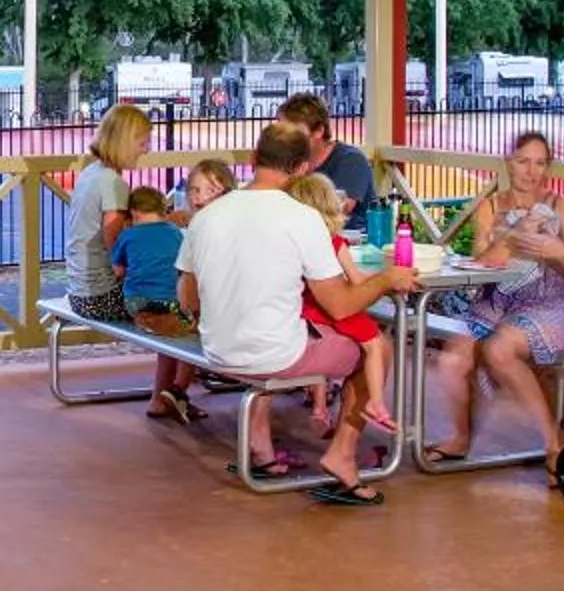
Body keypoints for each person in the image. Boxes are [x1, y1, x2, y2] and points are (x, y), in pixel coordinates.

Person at [179, 124, 419, 505]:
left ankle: (262, 446)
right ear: (302, 168)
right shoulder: (301, 218)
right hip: (274, 354)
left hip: (217, 350)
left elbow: (188, 298)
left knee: (287, 330)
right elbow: (340, 303)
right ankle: (341, 455)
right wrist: (388, 278)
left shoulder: (206, 217)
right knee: (379, 347)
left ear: (254, 160)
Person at [427, 131, 564, 473]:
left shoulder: (562, 206)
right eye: (523, 161)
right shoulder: (491, 206)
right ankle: (460, 438)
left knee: (499, 350)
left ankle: (554, 444)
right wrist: (516, 234)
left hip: (555, 302)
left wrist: (560, 253)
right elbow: (483, 261)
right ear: (508, 161)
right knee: (453, 360)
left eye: (540, 163)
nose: (531, 171)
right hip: (500, 300)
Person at [288, 173, 395, 434]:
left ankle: (320, 407)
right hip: (335, 307)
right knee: (375, 346)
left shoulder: (294, 242)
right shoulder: (335, 242)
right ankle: (377, 403)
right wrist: (383, 280)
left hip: (306, 308)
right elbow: (357, 280)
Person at [110, 183, 197, 421]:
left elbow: (117, 270)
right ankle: (178, 390)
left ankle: (161, 398)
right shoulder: (174, 233)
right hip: (170, 303)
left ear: (135, 213)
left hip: (136, 303)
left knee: (170, 343)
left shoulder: (128, 235)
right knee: (193, 333)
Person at [62, 103, 152, 329]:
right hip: (102, 297)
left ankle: (171, 365)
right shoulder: (113, 183)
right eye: (142, 143)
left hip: (79, 292)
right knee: (181, 299)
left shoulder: (90, 173)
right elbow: (115, 242)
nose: (146, 150)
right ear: (125, 142)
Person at [277, 92, 375, 210]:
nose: (284, 138)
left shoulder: (351, 160)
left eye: (294, 132)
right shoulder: (286, 161)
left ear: (318, 131)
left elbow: (338, 209)